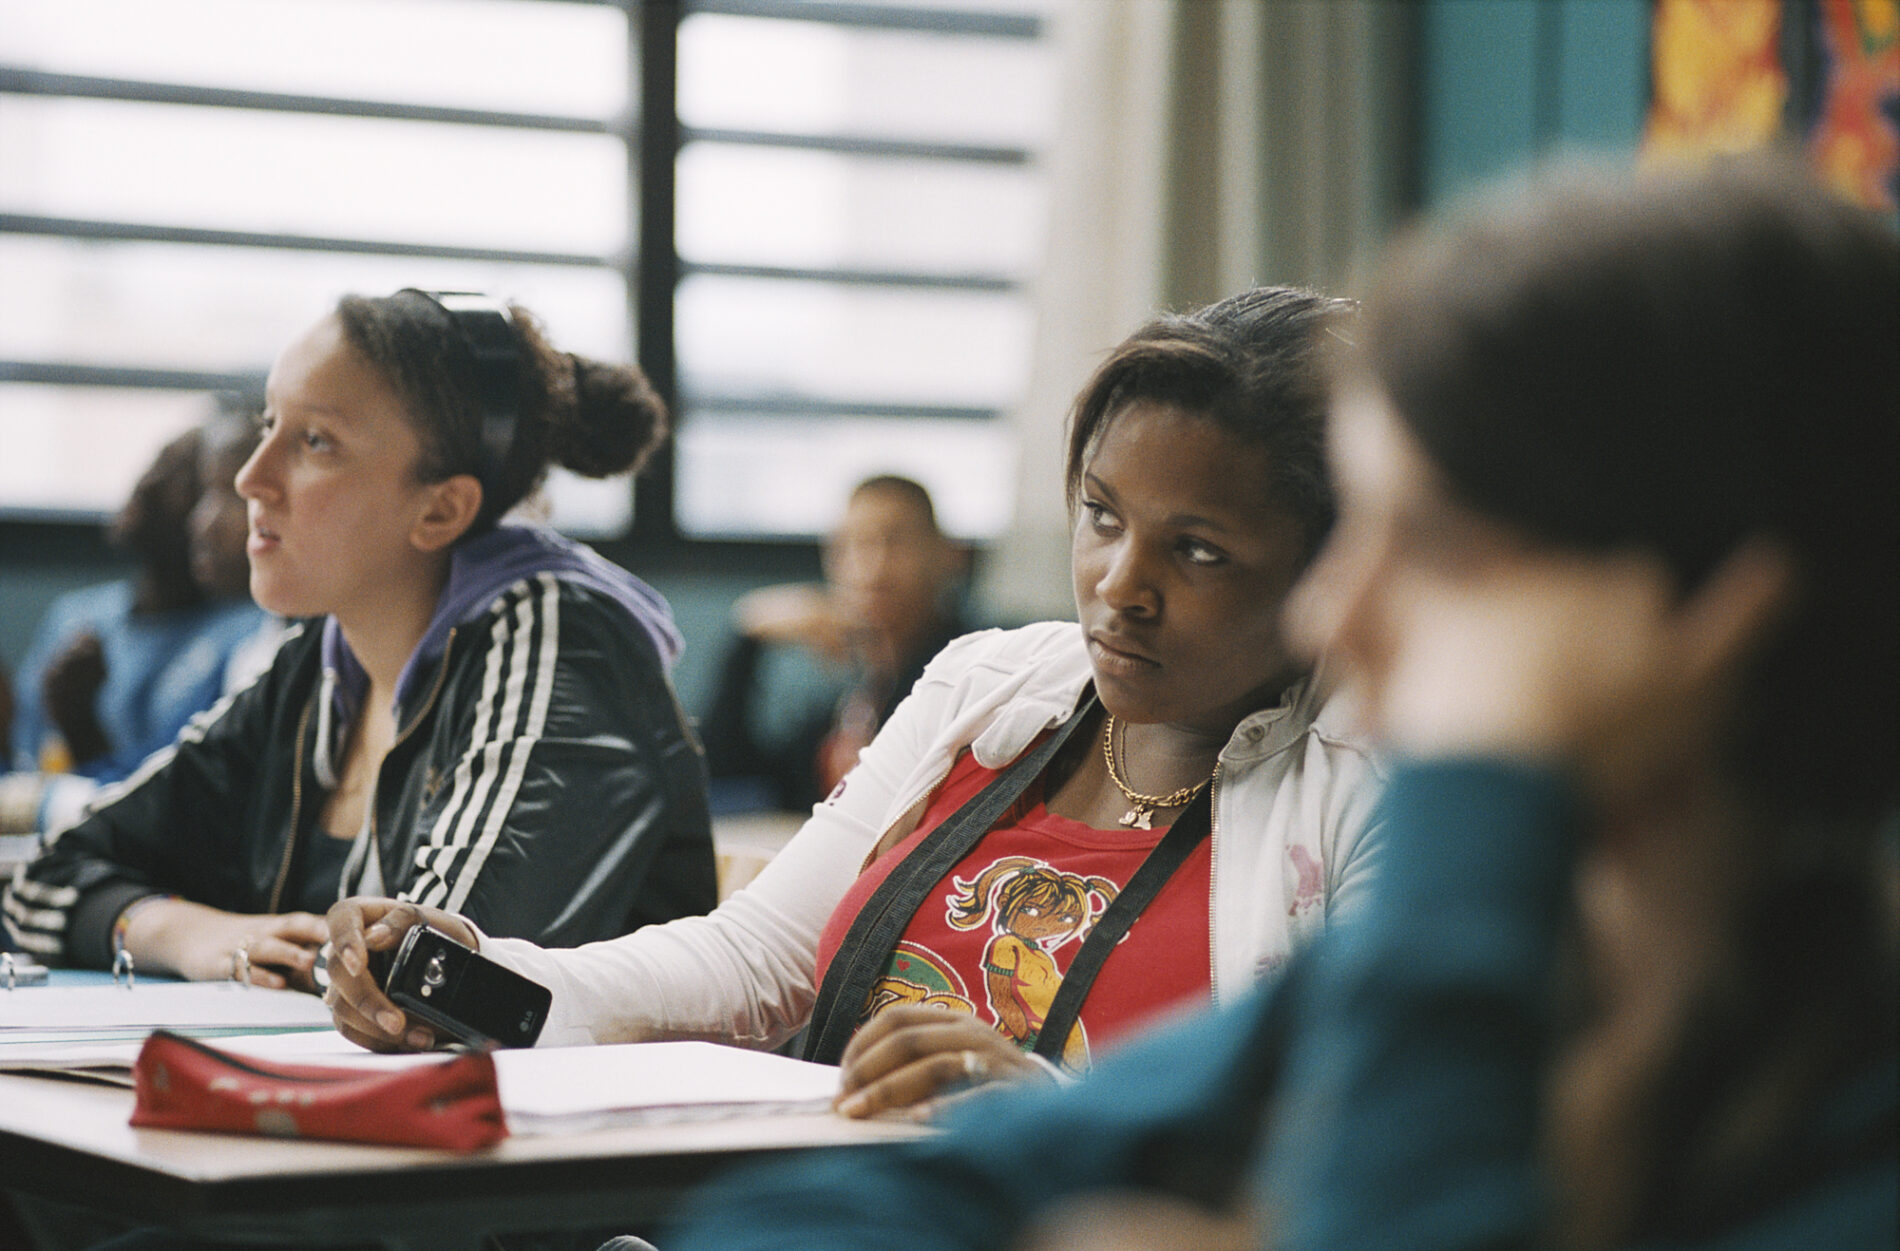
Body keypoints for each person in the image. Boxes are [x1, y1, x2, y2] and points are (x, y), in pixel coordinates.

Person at [662, 154, 1898, 1250]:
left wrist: (1483, 786)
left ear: (1716, 609)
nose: (1329, 616)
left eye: (1439, 551)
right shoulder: (1514, 966)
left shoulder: (1844, 1126)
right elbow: (778, 1224)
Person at [322, 286, 1383, 1117]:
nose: (1120, 584)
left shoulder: (1373, 788)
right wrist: (490, 975)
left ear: (1330, 571)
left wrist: (1046, 1111)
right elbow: (756, 958)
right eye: (1102, 517)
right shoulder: (987, 688)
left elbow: (1367, 1149)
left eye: (1197, 551)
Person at [2, 289, 718, 986]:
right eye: (268, 423)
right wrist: (189, 933)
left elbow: (429, 975)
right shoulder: (321, 664)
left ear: (441, 510)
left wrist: (259, 948)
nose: (251, 477)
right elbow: (41, 877)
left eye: (316, 441)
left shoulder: (558, 643)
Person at [0, 399, 270, 835]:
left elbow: (167, 808)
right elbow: (26, 763)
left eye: (185, 482)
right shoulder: (77, 614)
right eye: (157, 463)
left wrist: (81, 725)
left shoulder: (242, 639)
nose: (149, 484)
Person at [699, 474, 969, 813]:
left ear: (947, 555)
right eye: (851, 545)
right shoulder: (853, 694)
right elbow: (725, 765)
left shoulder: (969, 671)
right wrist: (748, 635)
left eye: (894, 542)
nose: (871, 565)